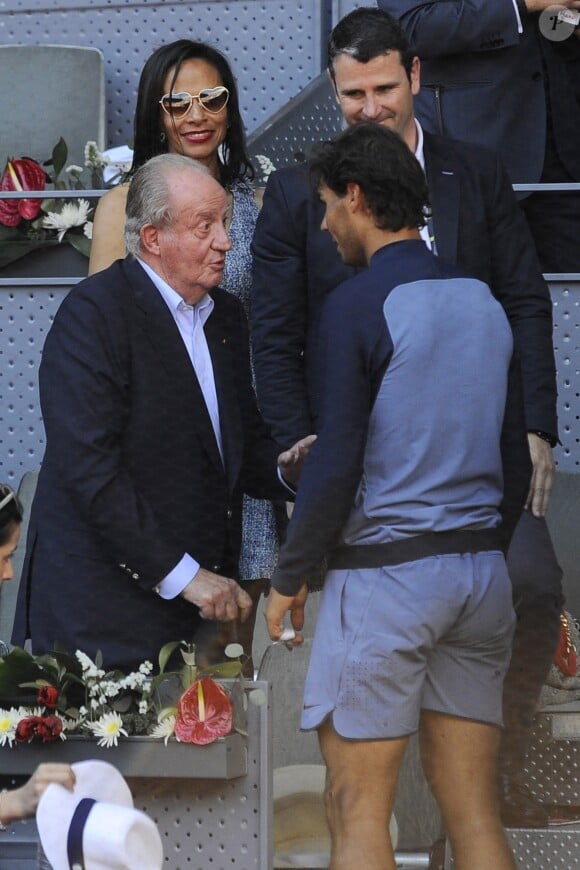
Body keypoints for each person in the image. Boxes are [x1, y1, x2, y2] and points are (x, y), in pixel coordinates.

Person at [251, 6, 564, 827]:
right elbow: (275, 336)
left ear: (416, 78)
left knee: (532, 578)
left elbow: (525, 304)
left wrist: (536, 428)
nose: (368, 107)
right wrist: (298, 455)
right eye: (350, 93)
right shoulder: (296, 192)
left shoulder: (478, 170)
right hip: (353, 473)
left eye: (383, 87)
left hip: (469, 477)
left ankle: (508, 754)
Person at [265, 122, 528, 870]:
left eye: (326, 205)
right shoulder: (483, 301)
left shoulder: (355, 304)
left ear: (356, 197)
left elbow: (338, 459)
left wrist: (289, 578)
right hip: (481, 579)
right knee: (475, 813)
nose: (322, 224)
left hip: (386, 581)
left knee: (356, 812)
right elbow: (512, 457)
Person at [12, 153, 312, 672]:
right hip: (100, 614)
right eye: (205, 226)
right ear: (153, 238)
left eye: (225, 223)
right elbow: (89, 469)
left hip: (194, 615)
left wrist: (291, 469)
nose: (226, 241)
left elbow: (236, 445)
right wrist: (185, 576)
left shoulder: (227, 317)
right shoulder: (95, 313)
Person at [89, 41, 281, 668]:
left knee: (231, 658)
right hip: (158, 457)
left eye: (212, 98)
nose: (196, 114)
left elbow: (280, 331)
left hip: (240, 448)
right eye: (178, 102)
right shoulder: (120, 206)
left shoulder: (256, 203)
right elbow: (99, 334)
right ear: (155, 111)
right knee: (156, 661)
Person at [380, 0, 580, 272]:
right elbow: (411, 26)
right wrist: (525, 3)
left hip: (561, 149)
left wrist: (570, 18)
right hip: (473, 152)